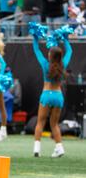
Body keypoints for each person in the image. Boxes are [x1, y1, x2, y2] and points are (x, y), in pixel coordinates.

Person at [32, 27, 72, 158]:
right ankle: (59, 147)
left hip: (46, 95)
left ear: (50, 55)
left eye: (49, 53)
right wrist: (66, 39)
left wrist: (35, 38)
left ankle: (37, 149)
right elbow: (70, 51)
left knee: (40, 122)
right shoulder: (63, 65)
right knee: (54, 124)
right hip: (58, 96)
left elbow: (36, 50)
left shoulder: (45, 64)